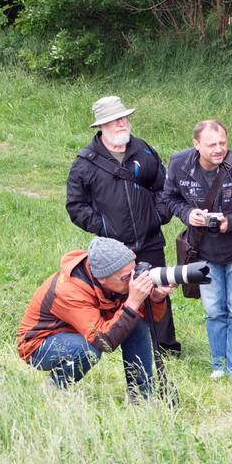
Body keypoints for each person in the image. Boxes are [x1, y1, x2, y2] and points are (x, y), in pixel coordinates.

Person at [65, 96, 181, 356]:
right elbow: (76, 206)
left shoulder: (144, 150)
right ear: (101, 126)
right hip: (115, 248)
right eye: (115, 120)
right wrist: (106, 228)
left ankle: (166, 348)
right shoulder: (85, 162)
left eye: (124, 117)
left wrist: (158, 216)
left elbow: (164, 187)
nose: (122, 123)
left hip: (150, 240)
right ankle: (130, 346)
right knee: (121, 296)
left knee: (158, 290)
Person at [163, 120, 232, 378]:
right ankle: (219, 365)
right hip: (202, 250)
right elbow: (169, 197)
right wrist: (187, 213)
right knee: (213, 312)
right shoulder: (179, 164)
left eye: (222, 142)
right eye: (211, 144)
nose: (218, 148)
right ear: (196, 145)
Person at [17, 237, 173, 399]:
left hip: (80, 331)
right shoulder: (69, 290)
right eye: (126, 277)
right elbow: (102, 340)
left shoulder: (116, 278)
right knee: (87, 350)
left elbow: (152, 318)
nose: (132, 280)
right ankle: (53, 388)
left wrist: (155, 298)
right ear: (102, 278)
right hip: (39, 343)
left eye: (134, 272)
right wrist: (133, 301)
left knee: (136, 322)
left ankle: (142, 396)